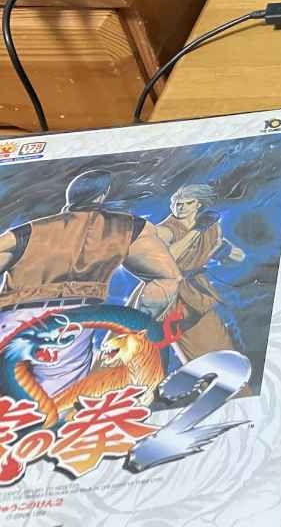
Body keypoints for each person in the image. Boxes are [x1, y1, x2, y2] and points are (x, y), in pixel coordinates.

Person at [0, 170, 181, 397]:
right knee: (54, 405)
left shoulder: (27, 232)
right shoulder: (125, 228)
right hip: (71, 322)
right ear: (102, 196)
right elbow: (168, 278)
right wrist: (137, 323)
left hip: (13, 317)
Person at [153, 184, 246, 364]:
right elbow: (165, 258)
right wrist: (197, 231)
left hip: (198, 293)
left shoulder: (211, 228)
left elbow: (239, 257)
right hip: (168, 295)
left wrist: (222, 250)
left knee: (220, 343)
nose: (180, 207)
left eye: (187, 203)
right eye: (177, 203)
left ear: (198, 204)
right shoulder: (164, 230)